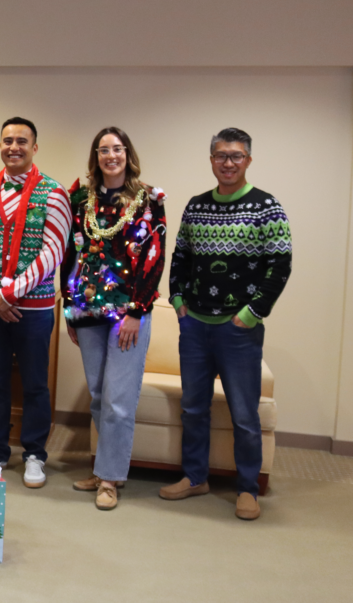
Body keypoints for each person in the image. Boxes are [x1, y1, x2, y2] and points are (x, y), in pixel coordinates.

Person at [160, 128, 292, 521]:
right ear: (212, 160)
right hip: (195, 326)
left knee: (244, 415)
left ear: (248, 160)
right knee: (193, 408)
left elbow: (280, 265)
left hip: (238, 330)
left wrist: (251, 314)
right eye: (221, 155)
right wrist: (178, 301)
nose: (228, 163)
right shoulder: (196, 206)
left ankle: (247, 488)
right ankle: (195, 477)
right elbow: (180, 256)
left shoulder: (267, 207)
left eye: (236, 156)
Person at [0, 117, 71, 488]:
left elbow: (53, 251)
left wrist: (9, 294)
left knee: (35, 383)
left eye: (22, 141)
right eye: (7, 140)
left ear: (34, 147)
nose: (14, 147)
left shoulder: (54, 193)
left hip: (33, 309)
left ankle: (35, 454)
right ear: (0, 146)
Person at [60, 127, 166, 510]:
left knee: (119, 400)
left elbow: (155, 256)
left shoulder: (148, 200)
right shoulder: (81, 201)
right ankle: (104, 468)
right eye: (103, 150)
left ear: (127, 154)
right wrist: (68, 308)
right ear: (96, 157)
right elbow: (69, 255)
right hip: (88, 309)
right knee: (99, 395)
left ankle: (109, 479)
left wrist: (138, 311)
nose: (111, 156)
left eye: (117, 149)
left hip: (128, 313)